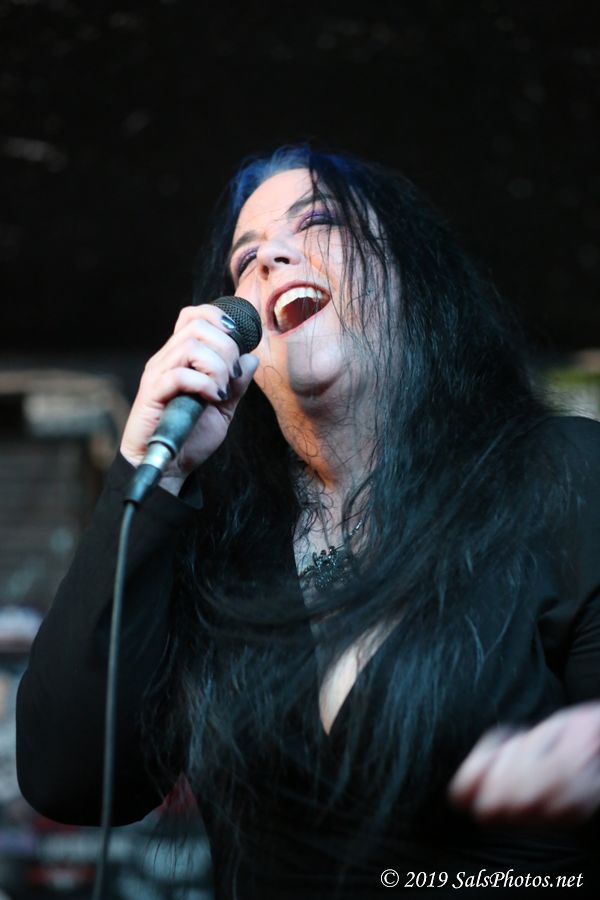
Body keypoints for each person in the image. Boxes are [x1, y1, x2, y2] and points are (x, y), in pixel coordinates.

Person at [16, 145, 600, 898]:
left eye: (318, 222)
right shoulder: (218, 545)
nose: (271, 257)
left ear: (411, 276)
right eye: (245, 258)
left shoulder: (558, 472)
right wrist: (145, 470)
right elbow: (70, 780)